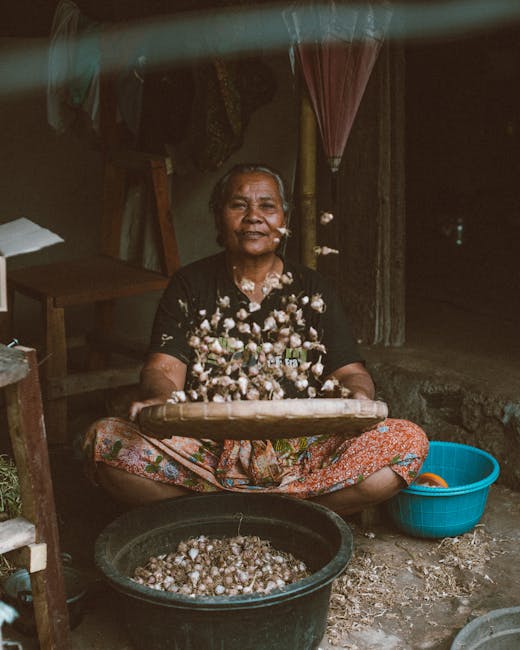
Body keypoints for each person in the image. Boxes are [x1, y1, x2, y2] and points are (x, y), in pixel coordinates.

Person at [83, 163, 428, 515]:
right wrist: (158, 397)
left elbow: (349, 372)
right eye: (238, 205)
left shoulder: (312, 289)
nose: (253, 217)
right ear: (219, 217)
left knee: (408, 442)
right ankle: (263, 509)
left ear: (284, 219)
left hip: (301, 450)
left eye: (267, 206)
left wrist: (358, 397)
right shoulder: (192, 285)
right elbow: (164, 369)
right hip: (207, 447)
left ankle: (251, 510)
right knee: (106, 442)